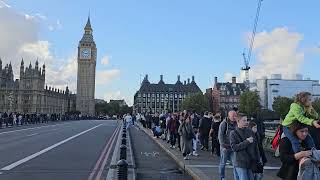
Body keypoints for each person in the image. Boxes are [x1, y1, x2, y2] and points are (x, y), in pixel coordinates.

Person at [230, 113, 259, 180]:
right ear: (238, 121)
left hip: (250, 162)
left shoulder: (250, 131)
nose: (246, 122)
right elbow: (234, 147)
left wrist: (257, 159)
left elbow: (255, 146)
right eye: (244, 120)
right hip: (240, 162)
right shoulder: (233, 133)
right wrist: (246, 142)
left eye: (246, 120)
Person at [218, 110, 238, 180]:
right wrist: (223, 146)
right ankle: (222, 177)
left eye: (235, 115)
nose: (234, 117)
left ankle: (236, 178)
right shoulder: (224, 124)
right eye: (233, 116)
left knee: (235, 164)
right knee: (223, 163)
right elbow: (220, 135)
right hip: (225, 147)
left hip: (233, 147)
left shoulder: (237, 124)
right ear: (229, 116)